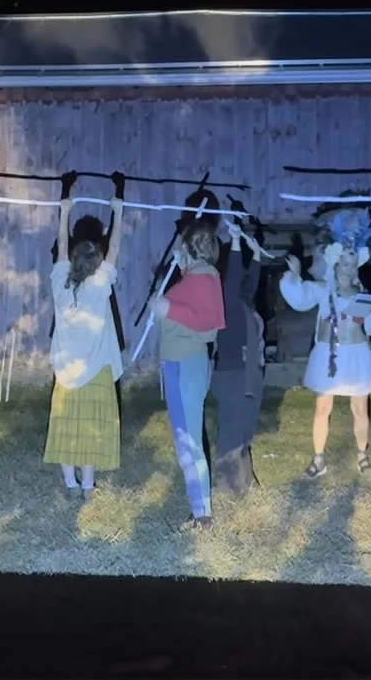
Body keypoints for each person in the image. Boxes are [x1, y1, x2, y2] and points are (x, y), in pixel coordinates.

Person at [278, 208, 371, 480]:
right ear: (336, 262)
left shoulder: (363, 294)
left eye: (353, 263)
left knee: (359, 408)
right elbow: (299, 298)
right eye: (344, 262)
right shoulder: (322, 288)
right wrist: (294, 274)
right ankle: (319, 459)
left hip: (357, 356)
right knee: (322, 408)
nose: (348, 267)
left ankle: (362, 455)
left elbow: (370, 327)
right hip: (329, 357)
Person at [43, 171, 126, 499]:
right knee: (90, 427)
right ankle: (88, 486)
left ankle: (71, 484)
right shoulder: (101, 284)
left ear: (73, 259)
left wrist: (64, 208)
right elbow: (115, 245)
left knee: (67, 427)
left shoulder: (59, 281)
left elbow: (62, 245)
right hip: (95, 370)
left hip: (67, 372)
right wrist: (118, 207)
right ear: (98, 260)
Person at [151, 219, 225, 531]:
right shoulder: (196, 276)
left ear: (190, 247)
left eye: (183, 244)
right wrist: (181, 272)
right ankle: (200, 509)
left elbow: (208, 325)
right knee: (187, 438)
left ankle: (202, 515)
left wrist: (168, 308)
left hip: (185, 365)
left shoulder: (203, 276)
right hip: (181, 364)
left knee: (188, 441)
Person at [211, 201, 268, 496]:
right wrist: (234, 242)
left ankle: (246, 479)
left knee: (244, 430)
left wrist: (255, 252)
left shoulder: (247, 308)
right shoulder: (228, 305)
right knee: (232, 430)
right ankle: (224, 485)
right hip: (232, 375)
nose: (244, 283)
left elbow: (250, 280)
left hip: (250, 375)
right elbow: (234, 278)